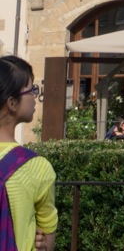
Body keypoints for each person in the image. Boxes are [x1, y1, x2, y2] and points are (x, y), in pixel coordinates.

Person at [0, 55, 58, 251]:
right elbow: (47, 239)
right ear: (12, 103)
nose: (35, 96)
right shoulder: (36, 167)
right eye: (31, 90)